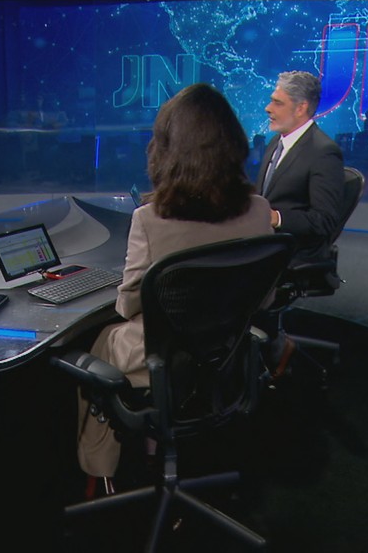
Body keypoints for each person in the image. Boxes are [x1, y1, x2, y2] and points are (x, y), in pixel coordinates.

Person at [76, 83, 273, 498]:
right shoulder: (259, 208)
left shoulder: (149, 219)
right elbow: (265, 298)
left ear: (166, 149)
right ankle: (154, 447)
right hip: (229, 354)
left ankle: (99, 471)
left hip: (164, 358)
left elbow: (129, 305)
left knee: (101, 344)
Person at [254, 70, 345, 382]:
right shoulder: (276, 143)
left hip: (295, 250)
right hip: (267, 241)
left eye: (276, 102)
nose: (268, 108)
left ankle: (272, 350)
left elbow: (325, 220)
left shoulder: (323, 152)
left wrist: (276, 218)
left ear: (301, 107)